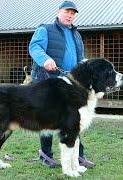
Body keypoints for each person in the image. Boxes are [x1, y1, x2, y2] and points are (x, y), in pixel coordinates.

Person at [28, 1, 95, 168]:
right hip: (47, 81)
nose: (70, 15)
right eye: (67, 11)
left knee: (74, 119)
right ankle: (45, 155)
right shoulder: (45, 29)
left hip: (69, 84)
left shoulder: (76, 35)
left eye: (73, 13)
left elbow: (80, 58)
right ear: (59, 12)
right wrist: (45, 60)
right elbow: (34, 47)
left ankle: (78, 156)